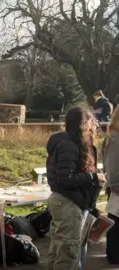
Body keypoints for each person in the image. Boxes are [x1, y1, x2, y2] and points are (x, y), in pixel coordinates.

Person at [46, 105, 107, 270]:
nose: (94, 125)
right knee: (68, 253)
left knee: (60, 250)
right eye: (91, 122)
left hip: (71, 201)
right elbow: (65, 179)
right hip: (68, 202)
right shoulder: (69, 145)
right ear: (84, 124)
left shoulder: (73, 144)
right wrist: (93, 177)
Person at [102, 107, 119, 264]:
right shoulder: (115, 138)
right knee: (115, 222)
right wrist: (115, 185)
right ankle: (114, 255)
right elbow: (113, 165)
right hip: (117, 188)